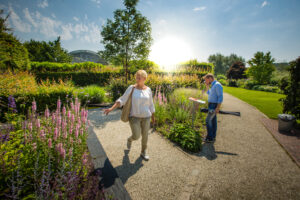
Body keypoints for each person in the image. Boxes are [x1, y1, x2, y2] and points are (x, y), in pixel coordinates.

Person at [103, 70, 155, 161]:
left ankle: (144, 151)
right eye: (136, 77)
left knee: (145, 136)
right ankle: (130, 139)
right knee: (136, 135)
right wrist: (111, 108)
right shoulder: (132, 88)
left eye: (139, 77)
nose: (137, 79)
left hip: (146, 116)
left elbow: (151, 104)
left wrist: (153, 117)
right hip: (134, 117)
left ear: (144, 78)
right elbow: (122, 100)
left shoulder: (148, 89)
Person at [203, 73, 223, 143]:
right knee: (213, 121)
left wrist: (218, 107)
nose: (205, 81)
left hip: (213, 105)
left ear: (210, 78)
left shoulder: (217, 85)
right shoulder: (213, 85)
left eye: (206, 80)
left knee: (208, 120)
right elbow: (209, 93)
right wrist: (207, 86)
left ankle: (210, 138)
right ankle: (213, 136)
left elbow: (220, 97)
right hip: (211, 104)